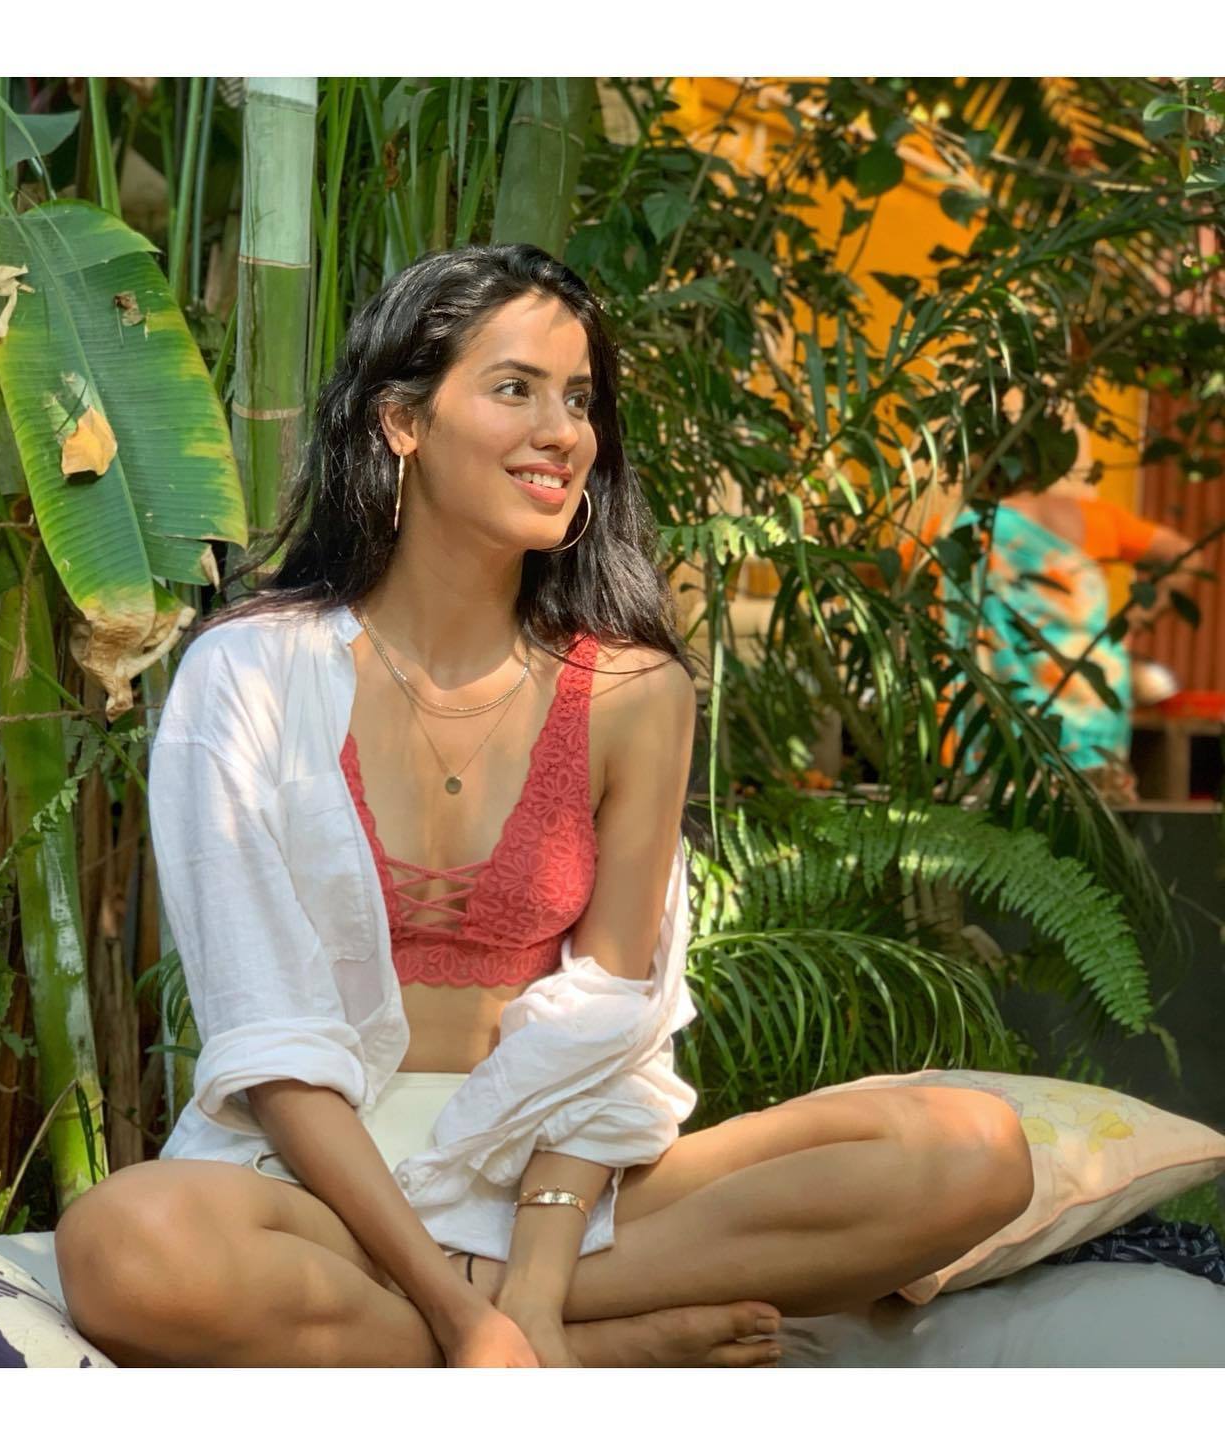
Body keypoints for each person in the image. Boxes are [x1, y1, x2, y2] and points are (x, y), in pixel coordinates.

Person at [54, 243, 1035, 1368]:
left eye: (579, 399)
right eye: (515, 389)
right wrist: (460, 1311)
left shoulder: (633, 692)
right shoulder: (249, 672)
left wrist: (530, 1285)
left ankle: (511, 1326)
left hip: (552, 1179)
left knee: (973, 1153)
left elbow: (611, 1016)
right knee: (128, 1247)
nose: (561, 431)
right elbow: (268, 1042)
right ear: (401, 422)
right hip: (312, 1186)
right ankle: (607, 1346)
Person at [947, 469, 1196, 803]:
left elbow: (897, 575)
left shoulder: (973, 526)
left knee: (1013, 811)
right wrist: (1133, 620)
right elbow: (1187, 556)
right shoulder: (1097, 517)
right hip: (1095, 690)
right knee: (1097, 810)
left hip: (1015, 696)